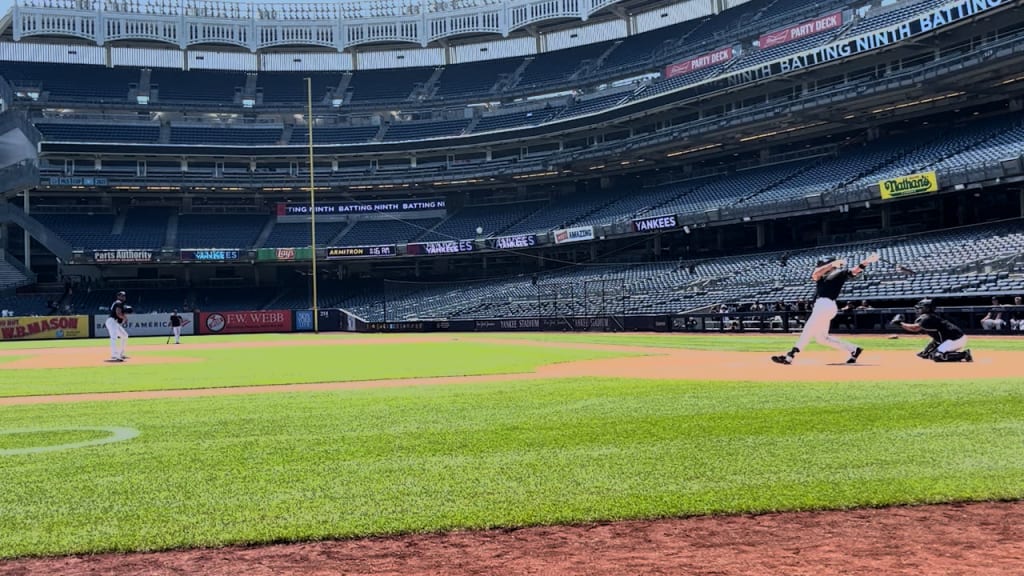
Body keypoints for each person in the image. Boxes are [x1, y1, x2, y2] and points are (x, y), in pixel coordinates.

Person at [771, 253, 879, 365]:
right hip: (824, 306)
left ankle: (790, 356)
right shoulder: (821, 277)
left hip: (825, 305)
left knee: (808, 329)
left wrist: (867, 261)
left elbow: (855, 271)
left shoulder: (839, 273)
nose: (820, 266)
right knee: (822, 338)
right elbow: (815, 274)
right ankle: (854, 349)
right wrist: (832, 264)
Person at [899, 299, 972, 362]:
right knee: (929, 354)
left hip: (955, 340)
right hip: (951, 339)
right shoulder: (930, 316)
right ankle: (931, 352)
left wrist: (900, 324)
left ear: (927, 308)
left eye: (921, 308)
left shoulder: (927, 318)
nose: (919, 309)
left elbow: (915, 328)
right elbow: (936, 338)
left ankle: (963, 354)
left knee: (937, 357)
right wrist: (926, 351)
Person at [105, 290, 129, 362]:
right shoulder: (118, 302)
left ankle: (120, 354)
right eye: (121, 295)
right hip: (112, 321)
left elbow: (120, 314)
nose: (123, 297)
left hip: (114, 322)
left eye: (124, 295)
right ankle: (114, 355)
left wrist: (124, 317)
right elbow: (118, 313)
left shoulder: (120, 303)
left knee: (124, 335)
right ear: (118, 296)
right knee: (114, 337)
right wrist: (125, 318)